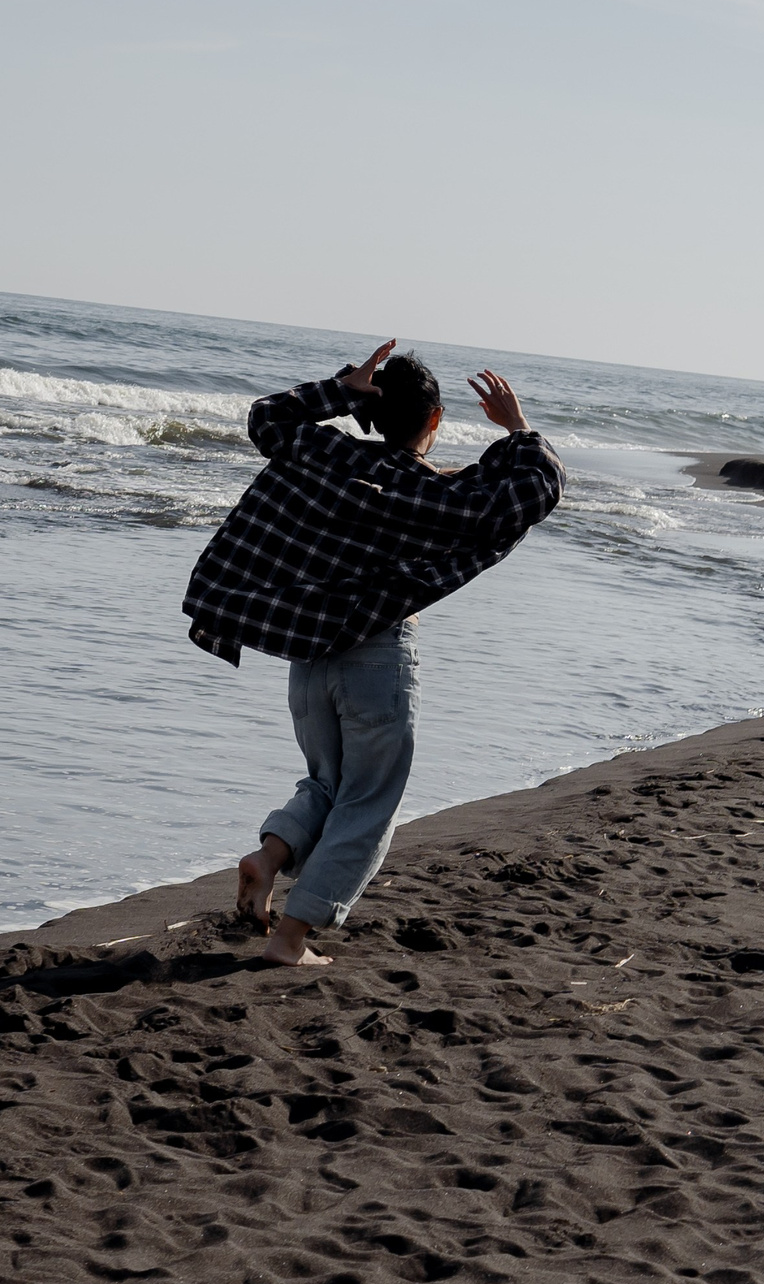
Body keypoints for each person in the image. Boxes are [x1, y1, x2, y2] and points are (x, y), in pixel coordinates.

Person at [183, 340, 565, 966]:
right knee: (368, 797)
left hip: (307, 656)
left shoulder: (325, 450)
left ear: (373, 414)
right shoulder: (435, 497)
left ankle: (270, 856)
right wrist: (518, 428)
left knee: (328, 782)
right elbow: (528, 495)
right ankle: (290, 940)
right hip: (375, 657)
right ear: (435, 422)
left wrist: (340, 391)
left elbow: (266, 419)